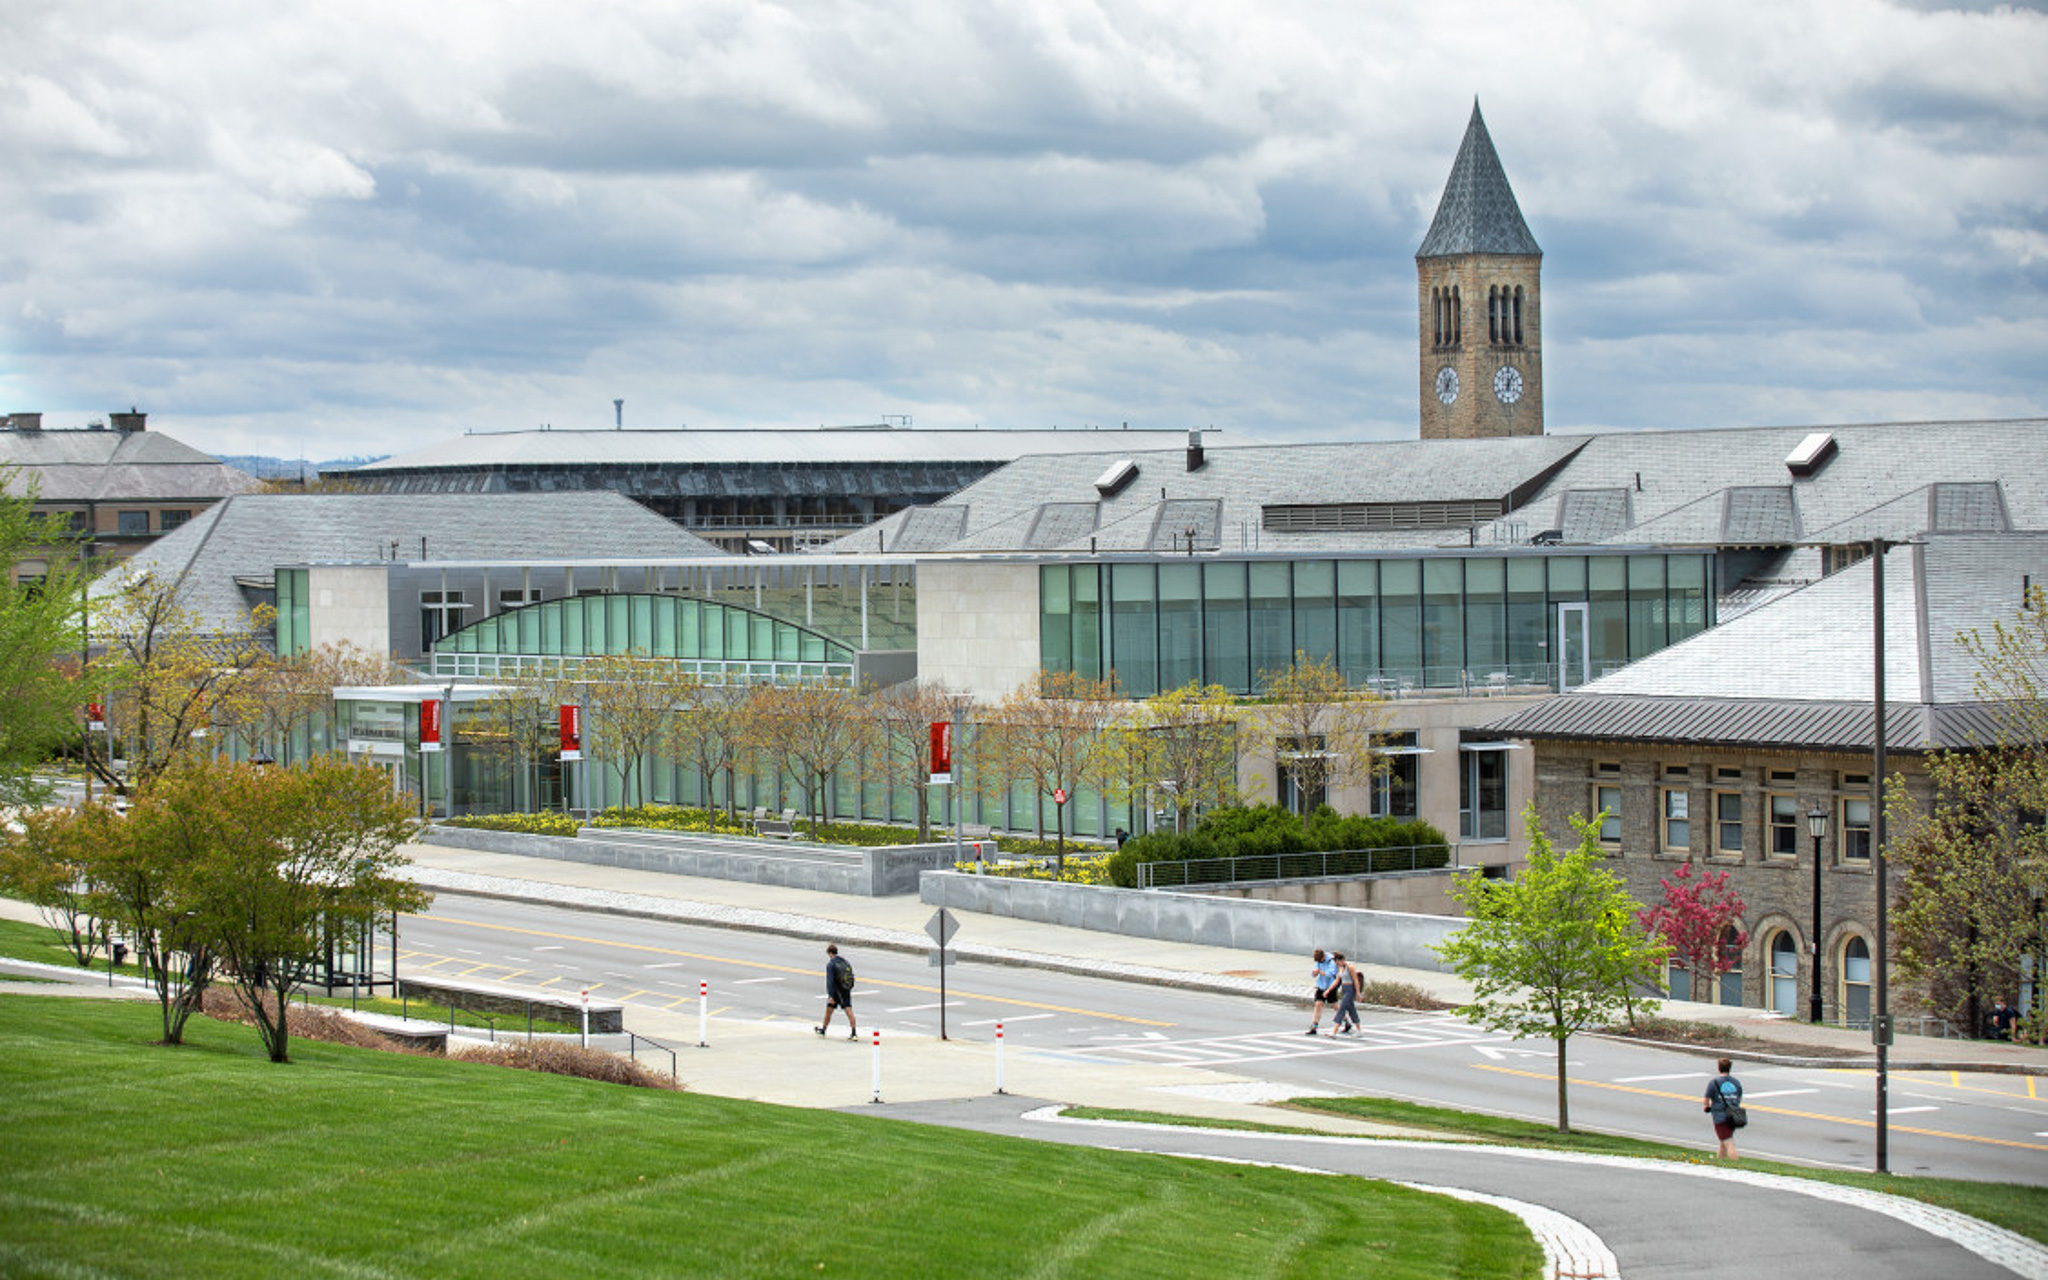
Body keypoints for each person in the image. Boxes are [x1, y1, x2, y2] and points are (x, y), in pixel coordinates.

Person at [1703, 1056, 1743, 1160]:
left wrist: (1707, 1107)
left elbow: (1707, 1098)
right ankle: (1719, 1161)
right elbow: (1739, 1097)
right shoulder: (1736, 1082)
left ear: (1719, 1068)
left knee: (1728, 1142)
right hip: (1733, 1116)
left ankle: (1735, 1161)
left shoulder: (1714, 1083)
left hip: (1720, 1117)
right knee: (1723, 1140)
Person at [815, 943, 858, 1040]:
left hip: (836, 992)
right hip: (846, 989)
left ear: (830, 953)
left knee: (829, 1011)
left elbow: (830, 981)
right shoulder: (845, 962)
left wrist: (831, 995)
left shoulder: (831, 964)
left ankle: (824, 1030)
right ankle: (854, 1032)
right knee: (848, 1009)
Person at [1306, 948, 1340, 1035]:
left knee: (1334, 1005)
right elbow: (1313, 973)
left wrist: (1320, 972)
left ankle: (1346, 1021)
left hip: (1330, 986)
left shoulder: (1331, 961)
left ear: (1323, 957)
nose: (1319, 962)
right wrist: (1314, 973)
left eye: (1320, 961)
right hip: (1321, 986)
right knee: (1318, 1004)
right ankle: (1314, 1026)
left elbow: (1330, 974)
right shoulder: (1318, 962)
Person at [1331, 952, 1362, 1035]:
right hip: (1344, 989)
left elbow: (1355, 980)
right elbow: (1337, 981)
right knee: (1351, 1009)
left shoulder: (1350, 967)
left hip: (1350, 989)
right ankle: (1359, 1030)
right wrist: (1328, 990)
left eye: (1338, 962)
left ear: (1342, 960)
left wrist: (1358, 993)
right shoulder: (1341, 969)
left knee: (1342, 1008)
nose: (1338, 964)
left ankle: (1334, 1031)